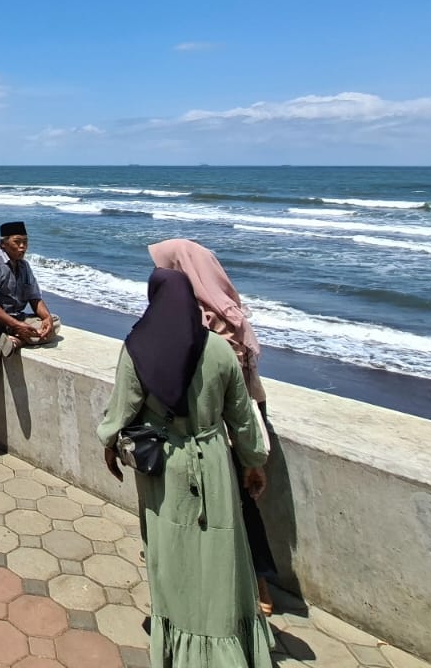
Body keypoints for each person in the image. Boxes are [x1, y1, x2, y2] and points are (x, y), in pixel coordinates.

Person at [98, 268, 273, 667]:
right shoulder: (219, 350)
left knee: (171, 551)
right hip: (213, 459)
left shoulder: (138, 348)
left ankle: (182, 645)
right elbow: (242, 418)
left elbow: (121, 410)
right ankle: (228, 643)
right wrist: (252, 463)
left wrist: (109, 443)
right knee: (220, 550)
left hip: (167, 465)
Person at [149, 238, 278, 613]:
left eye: (165, 266)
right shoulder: (226, 306)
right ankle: (260, 585)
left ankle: (254, 586)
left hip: (221, 422)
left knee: (231, 504)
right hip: (249, 410)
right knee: (241, 503)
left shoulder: (200, 319)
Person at [0, 220, 59, 472]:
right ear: (3, 243)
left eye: (25, 241)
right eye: (18, 242)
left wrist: (45, 318)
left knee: (54, 325)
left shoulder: (24, 267)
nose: (23, 247)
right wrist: (17, 326)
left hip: (12, 322)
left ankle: (14, 341)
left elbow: (35, 298)